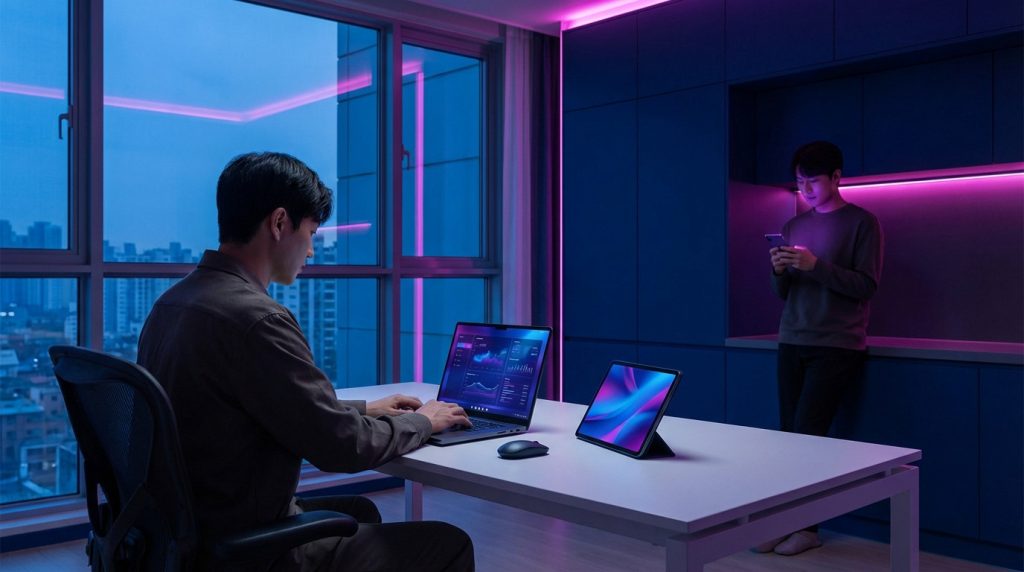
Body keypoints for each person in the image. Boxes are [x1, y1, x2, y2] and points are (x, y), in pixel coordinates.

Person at [137, 152, 475, 571]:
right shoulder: (256, 319)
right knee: (449, 544)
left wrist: (364, 408)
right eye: (311, 232)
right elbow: (343, 447)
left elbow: (249, 406)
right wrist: (424, 421)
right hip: (245, 549)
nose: (312, 251)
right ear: (279, 223)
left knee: (358, 512)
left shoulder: (173, 304)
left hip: (186, 532)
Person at [758, 141, 884, 556]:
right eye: (800, 181)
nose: (806, 188)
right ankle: (784, 521)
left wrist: (817, 266)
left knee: (809, 437)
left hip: (837, 343)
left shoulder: (863, 223)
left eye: (813, 180)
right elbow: (783, 293)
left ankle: (807, 528)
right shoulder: (793, 225)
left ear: (836, 177)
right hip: (791, 337)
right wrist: (779, 271)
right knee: (788, 437)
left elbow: (866, 285)